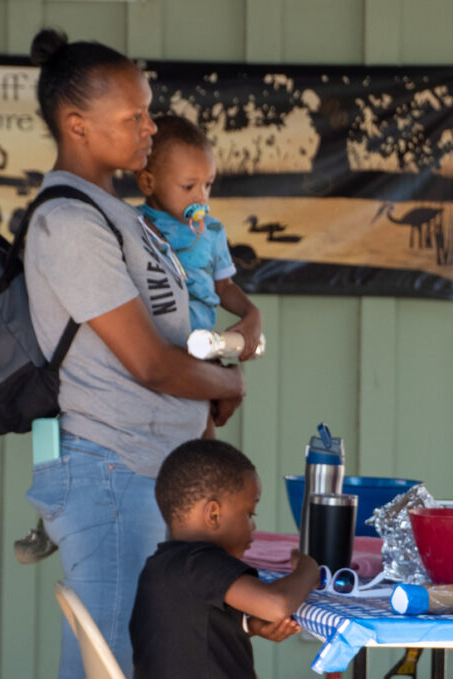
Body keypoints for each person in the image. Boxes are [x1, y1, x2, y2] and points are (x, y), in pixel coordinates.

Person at [22, 28, 246, 678]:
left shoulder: (115, 211)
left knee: (143, 657)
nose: (151, 126)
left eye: (148, 109)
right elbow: (148, 362)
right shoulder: (69, 223)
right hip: (112, 472)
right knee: (108, 663)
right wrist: (224, 385)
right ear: (77, 125)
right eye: (134, 115)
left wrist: (209, 383)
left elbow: (173, 341)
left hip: (145, 470)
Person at [130, 439, 319, 679]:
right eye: (249, 513)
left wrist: (248, 627)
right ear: (214, 514)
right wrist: (308, 567)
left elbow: (190, 635)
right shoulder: (200, 561)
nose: (254, 525)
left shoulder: (162, 566)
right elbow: (277, 604)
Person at [135, 114, 262, 436]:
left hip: (198, 359)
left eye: (207, 185)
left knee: (203, 441)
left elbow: (224, 285)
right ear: (148, 182)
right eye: (188, 186)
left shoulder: (212, 231)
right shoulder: (133, 227)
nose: (201, 197)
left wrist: (250, 314)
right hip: (153, 356)